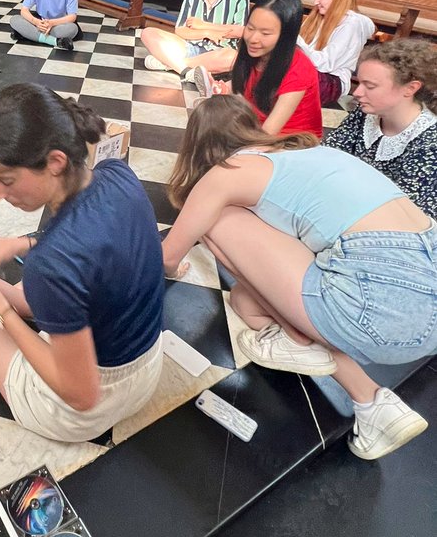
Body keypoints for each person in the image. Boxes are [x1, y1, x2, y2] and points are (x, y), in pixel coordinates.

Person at [164, 95, 432, 461]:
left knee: (217, 217)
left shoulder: (228, 171)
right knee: (244, 301)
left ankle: (297, 336)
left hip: (378, 307)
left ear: (198, 144)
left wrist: (173, 265)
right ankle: (374, 404)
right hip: (420, 306)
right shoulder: (314, 155)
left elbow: (168, 256)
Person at [0, 84, 165, 443]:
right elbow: (97, 242)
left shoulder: (50, 266)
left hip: (82, 410)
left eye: (3, 180)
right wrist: (18, 244)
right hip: (147, 371)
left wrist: (3, 312)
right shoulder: (117, 174)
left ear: (55, 162)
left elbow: (81, 396)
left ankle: (8, 308)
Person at [326, 38, 437, 218]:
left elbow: (405, 216)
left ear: (410, 88)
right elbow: (328, 156)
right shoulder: (366, 113)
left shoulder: (430, 143)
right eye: (359, 82)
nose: (357, 92)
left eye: (370, 86)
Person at [142, 0, 249, 90]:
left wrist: (203, 24)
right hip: (189, 46)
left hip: (218, 51)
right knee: (148, 33)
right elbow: (180, 30)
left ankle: (169, 64)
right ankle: (188, 71)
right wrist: (207, 32)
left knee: (233, 58)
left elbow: (240, 31)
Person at [230, 0, 322, 138]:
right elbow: (241, 97)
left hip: (292, 143)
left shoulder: (299, 68)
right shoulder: (254, 55)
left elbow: (268, 133)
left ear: (285, 37)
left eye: (265, 33)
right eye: (250, 28)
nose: (253, 38)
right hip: (256, 131)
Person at [297, 0, 374, 103]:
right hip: (309, 71)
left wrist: (296, 42)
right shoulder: (317, 17)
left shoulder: (351, 25)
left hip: (332, 81)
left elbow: (326, 64)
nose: (316, 2)